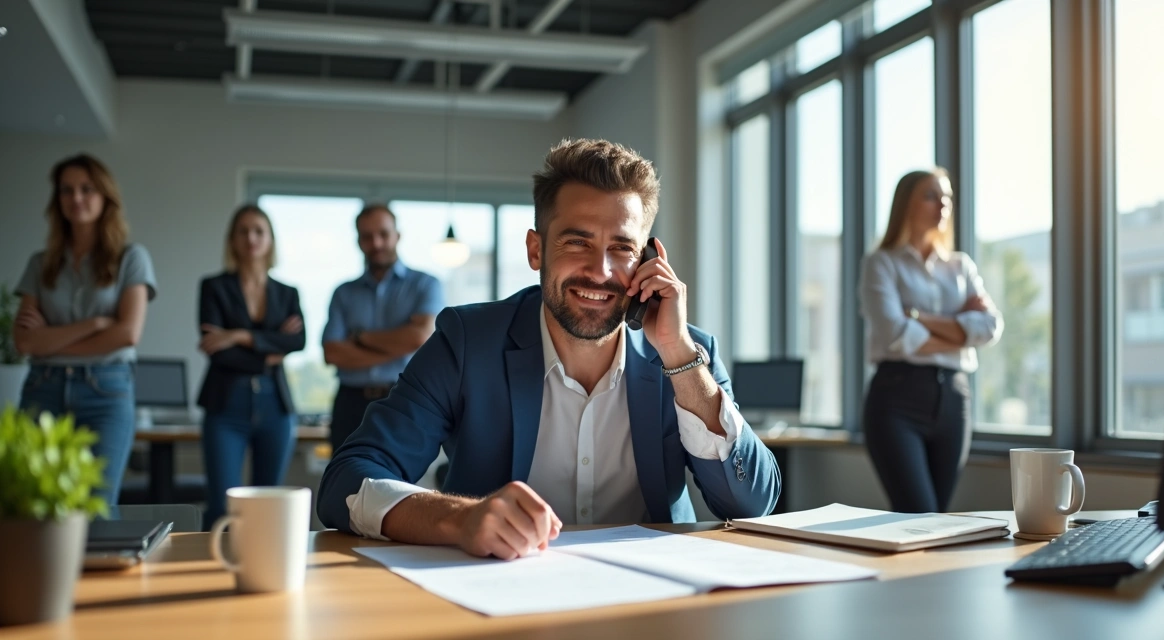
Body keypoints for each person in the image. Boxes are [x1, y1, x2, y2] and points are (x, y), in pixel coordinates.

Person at [317, 139, 780, 558]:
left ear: (647, 260)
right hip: (496, 597)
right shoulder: (467, 342)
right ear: (536, 251)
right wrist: (459, 519)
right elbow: (347, 481)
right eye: (577, 241)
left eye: (621, 247)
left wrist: (679, 358)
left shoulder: (686, 353)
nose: (599, 271)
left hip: (652, 600)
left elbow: (752, 502)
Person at [13, 154, 157, 506]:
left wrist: (51, 340)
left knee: (95, 508)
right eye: (66, 190)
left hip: (105, 393)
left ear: (105, 196)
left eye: (86, 189)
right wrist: (94, 326)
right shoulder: (40, 263)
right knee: (30, 508)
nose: (76, 198)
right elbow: (24, 341)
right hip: (42, 389)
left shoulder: (131, 258)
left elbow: (127, 334)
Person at [859, 168, 1003, 513]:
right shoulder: (881, 263)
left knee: (937, 518)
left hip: (954, 400)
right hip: (896, 399)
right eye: (931, 195)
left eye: (947, 197)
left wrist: (918, 318)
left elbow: (990, 328)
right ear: (905, 204)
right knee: (916, 512)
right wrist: (960, 332)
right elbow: (894, 335)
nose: (943, 204)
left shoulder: (960, 267)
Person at [196, 204, 305, 528]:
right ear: (232, 239)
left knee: (268, 506)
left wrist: (240, 335)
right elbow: (217, 352)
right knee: (221, 506)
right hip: (225, 405)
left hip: (276, 406)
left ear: (270, 239)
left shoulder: (288, 293)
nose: (251, 238)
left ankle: (262, 573)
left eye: (259, 231)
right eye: (243, 231)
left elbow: (297, 343)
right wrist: (270, 346)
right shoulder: (213, 287)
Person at [321, 204, 443, 451]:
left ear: (397, 235)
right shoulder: (343, 293)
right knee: (345, 484)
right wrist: (399, 342)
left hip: (403, 398)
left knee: (401, 484)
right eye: (367, 236)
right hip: (350, 403)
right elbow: (332, 353)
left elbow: (419, 337)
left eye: (383, 234)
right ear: (358, 241)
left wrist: (359, 337)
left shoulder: (425, 285)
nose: (376, 243)